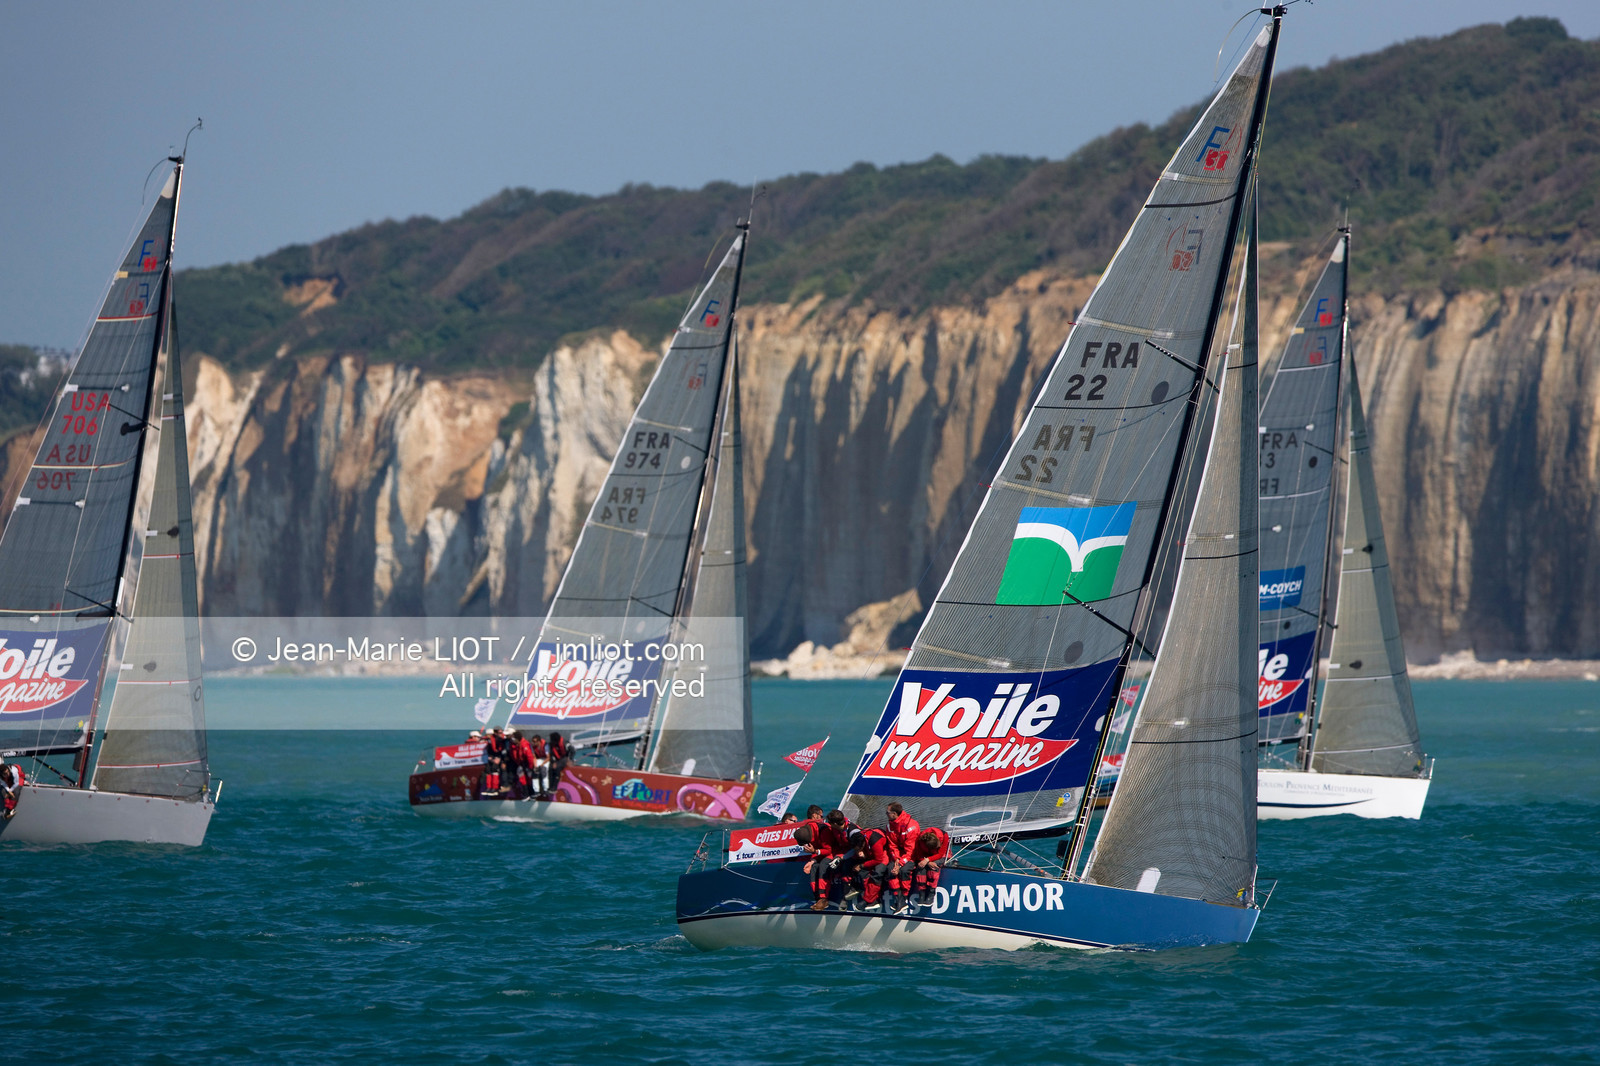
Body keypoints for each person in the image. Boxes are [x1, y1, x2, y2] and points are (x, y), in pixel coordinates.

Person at [841, 824, 892, 912]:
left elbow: (878, 860)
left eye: (858, 849)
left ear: (863, 844)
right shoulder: (858, 838)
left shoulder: (876, 841)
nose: (857, 851)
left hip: (883, 852)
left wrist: (862, 865)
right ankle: (855, 887)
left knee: (878, 872)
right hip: (870, 852)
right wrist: (860, 854)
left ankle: (870, 900)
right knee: (852, 864)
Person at [883, 802, 922, 913]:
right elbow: (892, 845)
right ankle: (899, 899)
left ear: (894, 814)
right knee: (891, 870)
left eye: (887, 812)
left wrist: (900, 864)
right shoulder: (890, 826)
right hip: (898, 856)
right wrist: (896, 859)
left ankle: (904, 896)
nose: (886, 814)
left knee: (904, 870)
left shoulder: (912, 826)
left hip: (912, 855)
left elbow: (910, 850)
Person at [907, 826, 951, 907]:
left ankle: (931, 893)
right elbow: (918, 854)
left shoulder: (944, 836)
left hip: (941, 855)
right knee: (920, 868)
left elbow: (940, 854)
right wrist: (926, 862)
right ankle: (921, 893)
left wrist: (928, 860)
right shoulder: (920, 840)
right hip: (925, 857)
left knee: (933, 868)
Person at [529, 733, 551, 798]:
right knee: (535, 772)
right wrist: (535, 766)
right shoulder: (532, 746)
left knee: (543, 771)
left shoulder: (545, 745)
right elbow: (534, 757)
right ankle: (536, 791)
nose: (534, 743)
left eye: (535, 742)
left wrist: (542, 765)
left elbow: (548, 757)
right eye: (533, 741)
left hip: (546, 759)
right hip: (539, 759)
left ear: (539, 741)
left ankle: (546, 789)